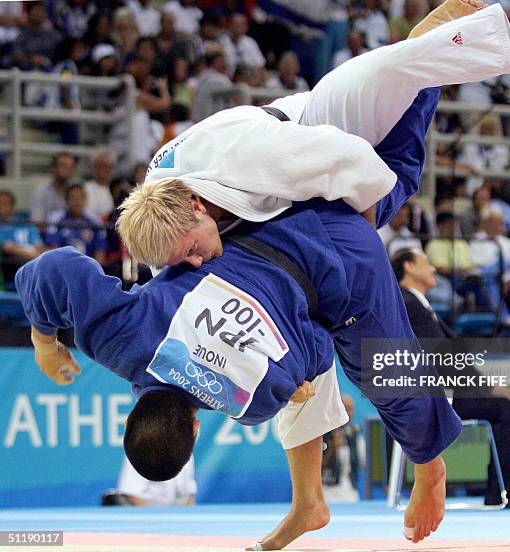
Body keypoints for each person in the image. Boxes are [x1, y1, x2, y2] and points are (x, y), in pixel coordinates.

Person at [17, 87, 463, 549]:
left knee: (383, 369)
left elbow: (317, 345)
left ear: (195, 431)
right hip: (267, 216)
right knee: (390, 178)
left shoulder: (252, 401)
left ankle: (429, 469)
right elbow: (53, 269)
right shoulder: (117, 338)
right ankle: (424, 67)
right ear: (128, 422)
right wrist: (46, 341)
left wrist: (295, 381)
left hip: (342, 264)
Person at [117, 2, 510, 271]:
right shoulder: (164, 228)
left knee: (394, 69)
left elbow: (351, 158)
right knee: (400, 72)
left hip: (308, 127)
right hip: (289, 128)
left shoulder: (244, 161)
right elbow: (163, 268)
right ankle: (444, 30)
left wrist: (360, 237)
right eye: (185, 259)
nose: (195, 261)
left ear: (198, 207)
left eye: (192, 250)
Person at [392, 247, 510, 508]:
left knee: (507, 405)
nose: (434, 268)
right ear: (409, 267)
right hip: (428, 397)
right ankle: (505, 492)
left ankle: (501, 490)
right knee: (508, 407)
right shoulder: (409, 304)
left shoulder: (418, 305)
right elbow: (442, 357)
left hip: (434, 391)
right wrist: (490, 388)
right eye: (426, 262)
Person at [44, 184, 106, 265]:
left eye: (80, 198)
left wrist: (93, 272)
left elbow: (100, 252)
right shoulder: (55, 219)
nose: (77, 201)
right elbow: (53, 250)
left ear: (85, 199)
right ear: (66, 200)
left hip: (89, 268)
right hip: (63, 266)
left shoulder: (95, 221)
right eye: (72, 198)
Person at [104, 454, 197, 506]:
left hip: (176, 519)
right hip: (147, 520)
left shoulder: (187, 453)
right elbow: (132, 496)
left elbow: (189, 497)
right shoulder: (140, 449)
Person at [30, 153, 77, 224]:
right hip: (47, 233)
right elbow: (37, 223)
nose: (67, 170)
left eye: (70, 167)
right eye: (63, 166)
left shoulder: (77, 193)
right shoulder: (40, 192)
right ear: (52, 168)